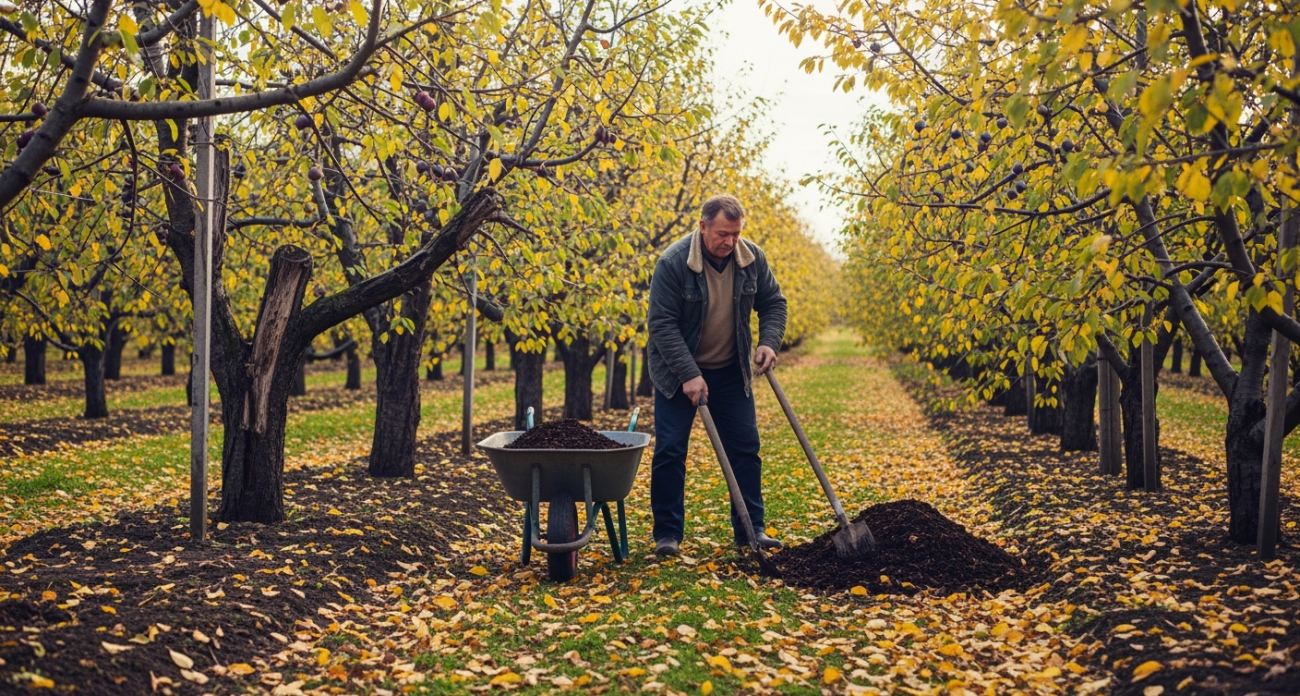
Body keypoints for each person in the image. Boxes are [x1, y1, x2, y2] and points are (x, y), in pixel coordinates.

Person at [646, 194, 788, 557]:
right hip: (678, 373)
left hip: (730, 370)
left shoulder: (751, 258)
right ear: (703, 226)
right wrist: (689, 374)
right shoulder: (674, 262)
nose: (730, 242)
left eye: (736, 234)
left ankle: (750, 530)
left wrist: (769, 342)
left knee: (745, 449)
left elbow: (773, 302)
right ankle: (667, 534)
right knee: (670, 450)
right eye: (723, 234)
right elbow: (661, 325)